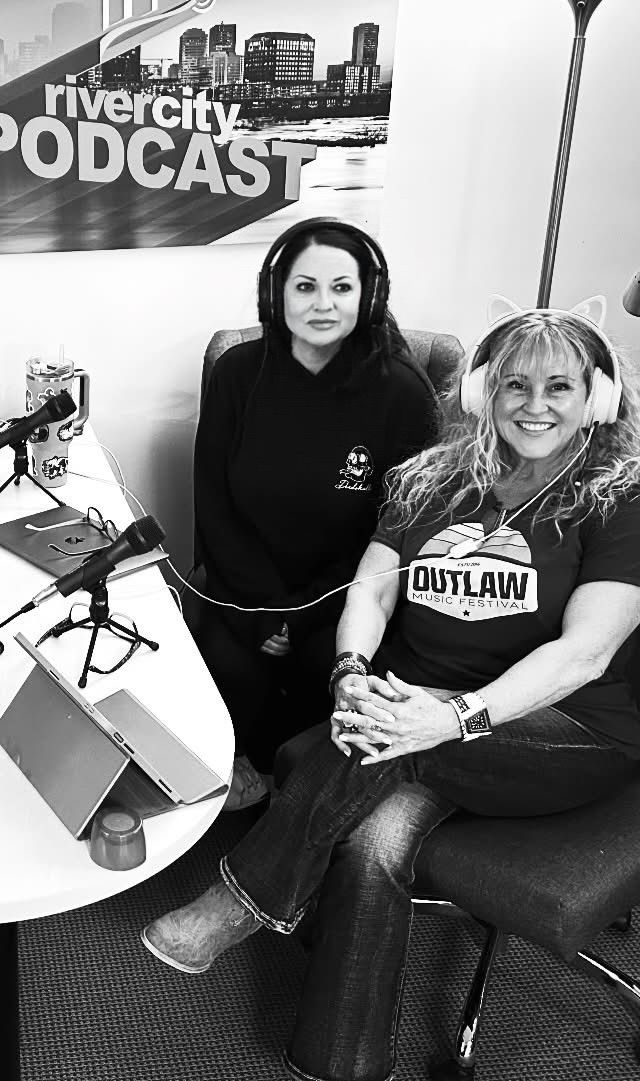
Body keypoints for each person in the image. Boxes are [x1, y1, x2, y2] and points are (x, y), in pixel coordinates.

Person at [144, 302, 640, 1081]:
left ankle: (245, 897)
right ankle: (340, 1061)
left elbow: (584, 654)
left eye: (559, 386)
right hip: (416, 718)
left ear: (597, 398)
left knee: (381, 746)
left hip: (563, 730)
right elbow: (371, 593)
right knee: (374, 843)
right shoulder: (429, 480)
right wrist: (350, 673)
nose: (535, 405)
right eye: (514, 384)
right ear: (481, 392)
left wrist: (450, 715)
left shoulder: (618, 499)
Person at [188, 218, 437, 810]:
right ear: (275, 292)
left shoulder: (402, 394)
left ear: (369, 295)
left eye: (342, 288)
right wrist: (265, 611)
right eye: (304, 287)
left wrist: (300, 618)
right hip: (245, 585)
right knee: (228, 662)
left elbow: (400, 532)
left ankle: (299, 797)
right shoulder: (237, 373)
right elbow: (212, 503)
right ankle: (240, 769)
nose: (323, 304)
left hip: (345, 593)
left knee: (322, 668)